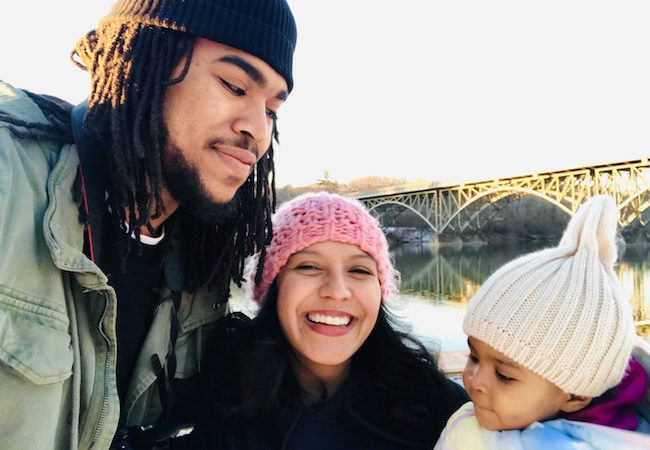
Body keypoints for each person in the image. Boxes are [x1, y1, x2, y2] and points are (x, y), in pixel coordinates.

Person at [0, 0, 297, 448]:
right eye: (235, 86)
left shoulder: (203, 269)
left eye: (273, 109)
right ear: (141, 61)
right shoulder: (10, 178)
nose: (258, 128)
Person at [169, 191, 470, 449]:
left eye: (360, 271)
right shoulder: (214, 410)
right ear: (273, 286)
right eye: (310, 266)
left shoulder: (441, 410)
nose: (337, 292)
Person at [434, 195, 650, 450]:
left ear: (576, 395)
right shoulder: (479, 420)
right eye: (474, 357)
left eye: (504, 376)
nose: (474, 380)